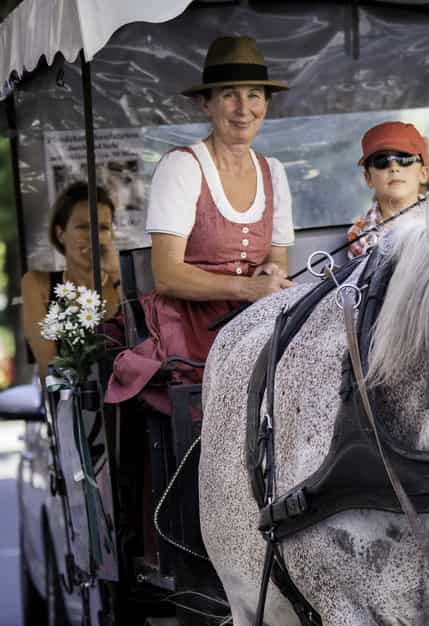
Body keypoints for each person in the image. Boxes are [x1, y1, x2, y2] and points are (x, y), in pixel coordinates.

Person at [107, 35, 294, 414]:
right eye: (229, 94)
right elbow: (167, 274)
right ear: (205, 104)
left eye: (255, 95)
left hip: (253, 325)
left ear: (267, 105)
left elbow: (279, 259)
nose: (244, 108)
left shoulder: (274, 172)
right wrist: (248, 288)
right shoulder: (182, 167)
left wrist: (272, 272)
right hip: (188, 331)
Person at [22, 182, 123, 378]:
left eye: (103, 228)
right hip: (72, 402)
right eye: (83, 227)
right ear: (60, 234)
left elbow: (148, 339)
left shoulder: (123, 282)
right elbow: (49, 369)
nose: (93, 236)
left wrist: (116, 274)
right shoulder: (37, 284)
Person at [348, 121, 429, 257]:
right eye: (382, 161)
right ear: (368, 178)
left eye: (405, 159)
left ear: (423, 174)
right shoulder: (359, 234)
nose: (394, 168)